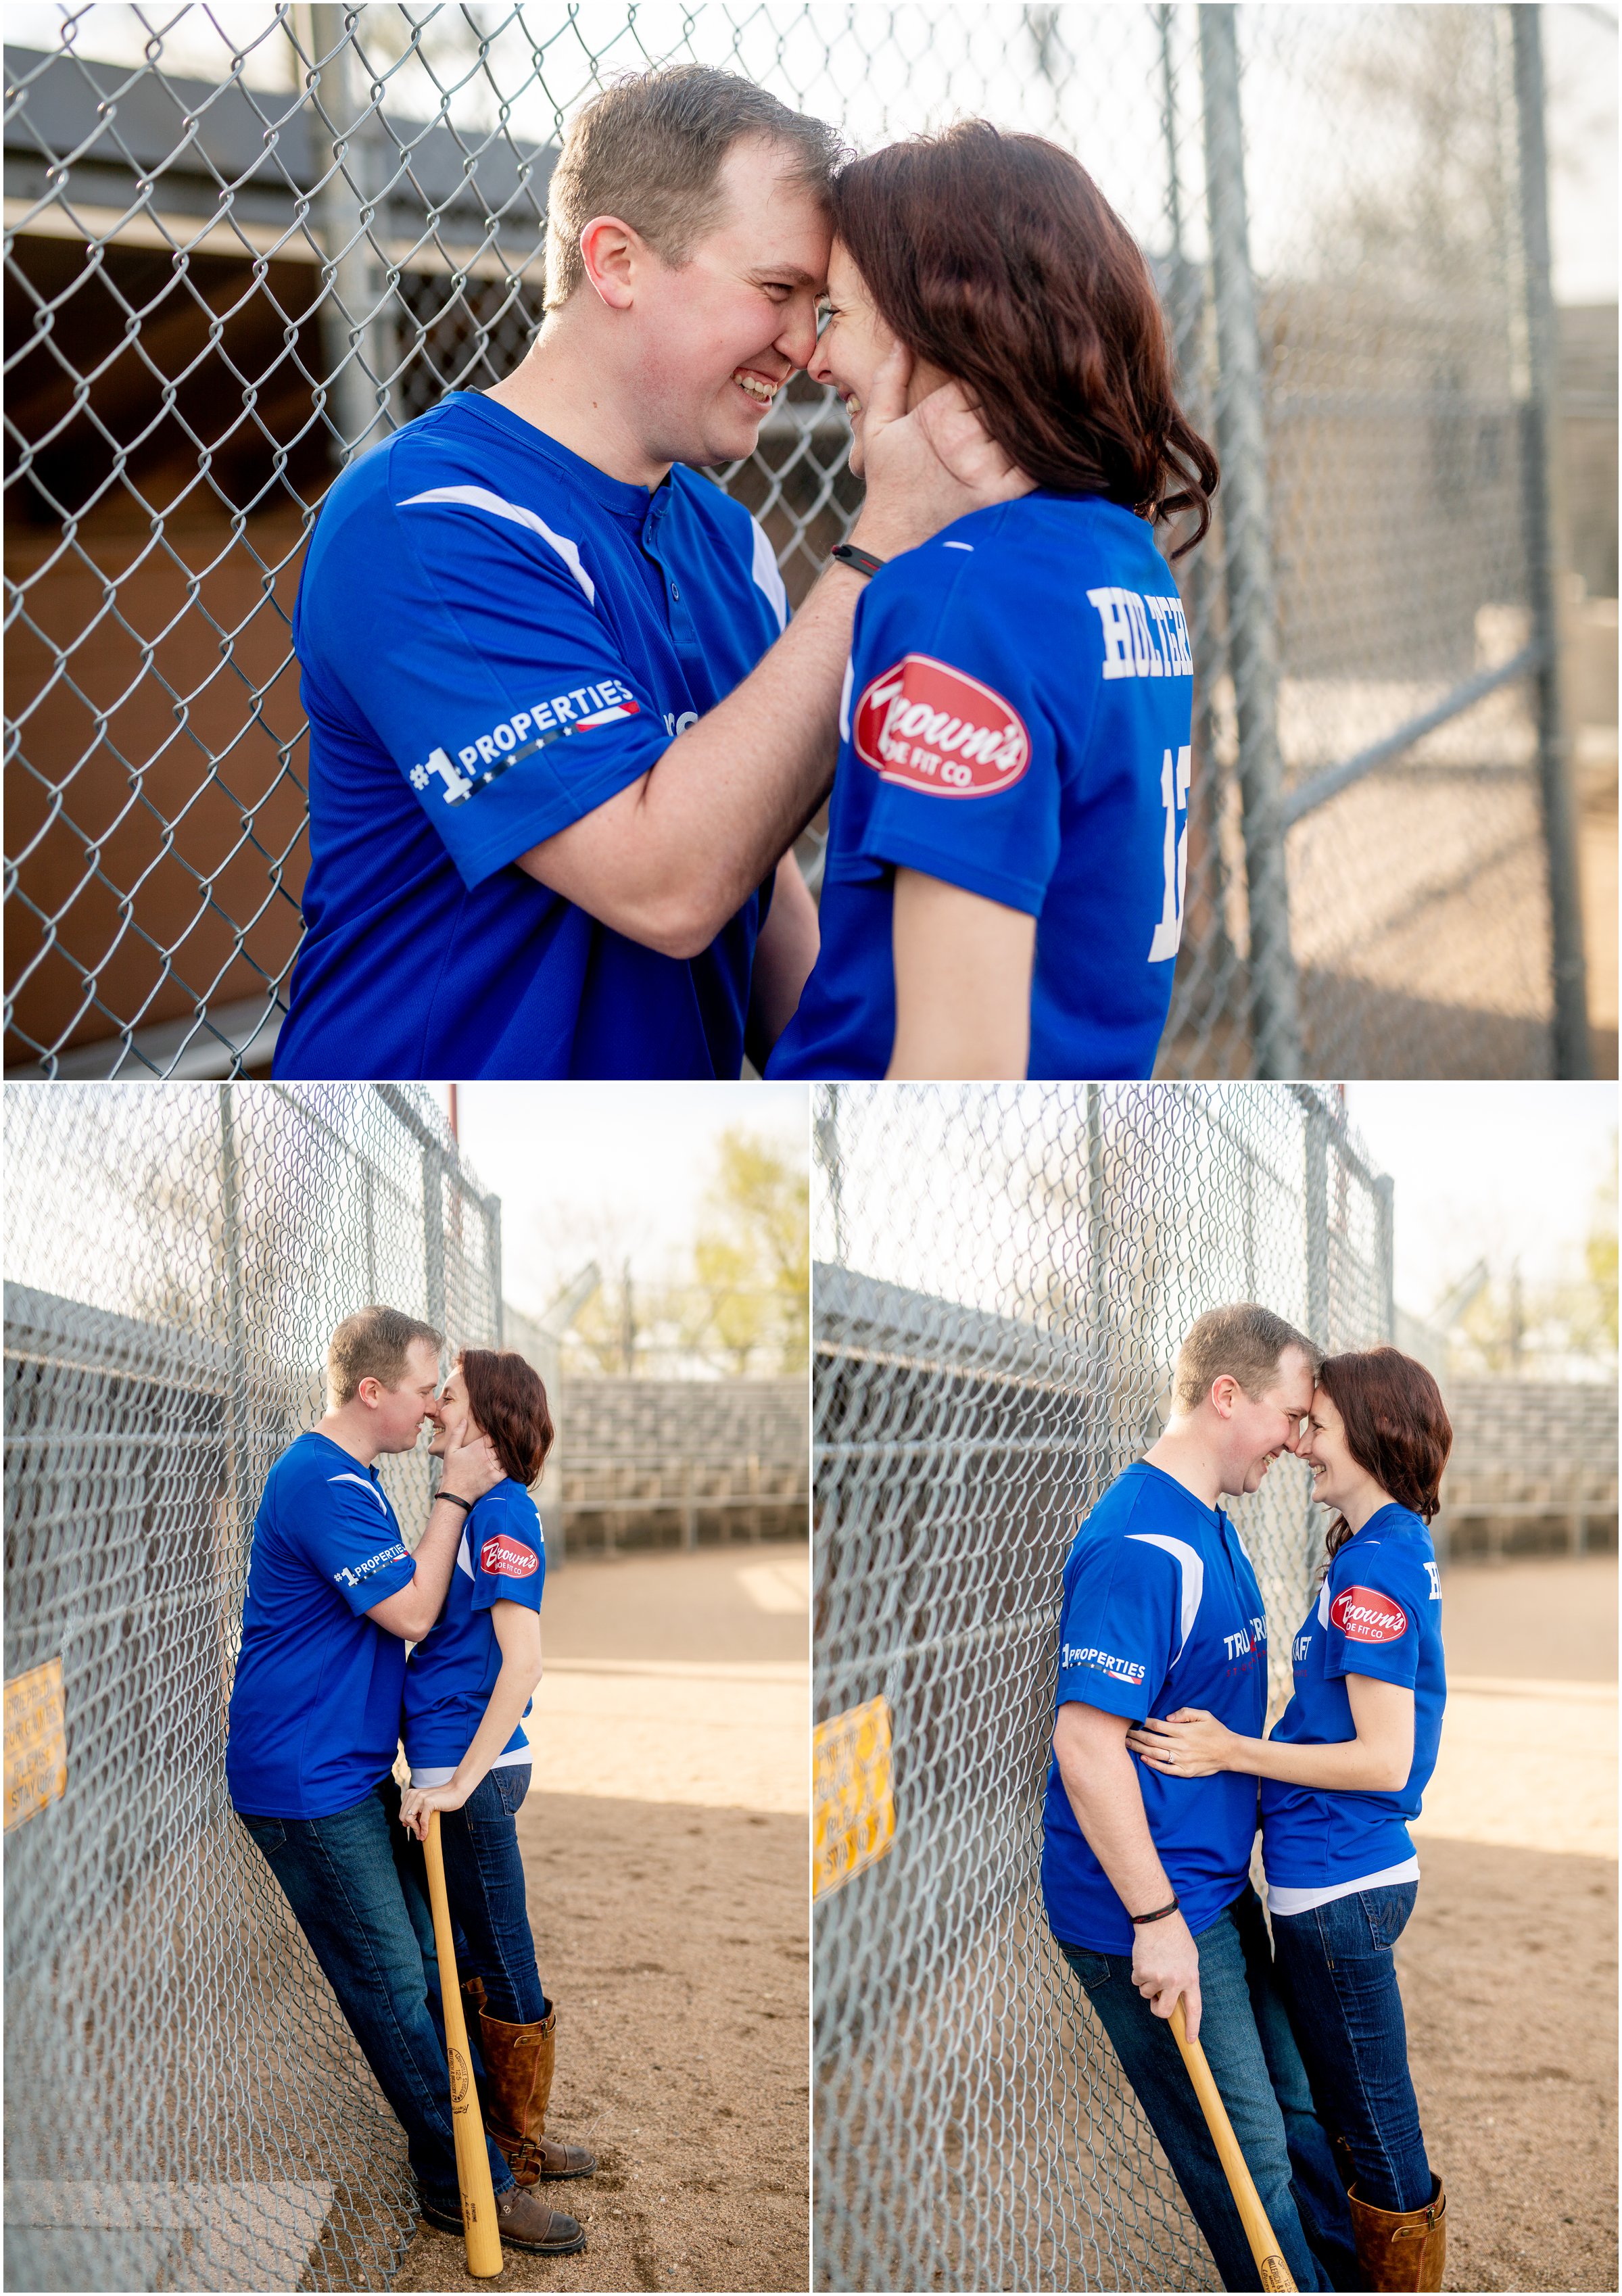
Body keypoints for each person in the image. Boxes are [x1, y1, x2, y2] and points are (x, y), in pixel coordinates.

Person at [272, 66, 1026, 1082]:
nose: (806, 349)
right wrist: (882, 542)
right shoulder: (427, 520)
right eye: (775, 292)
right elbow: (667, 886)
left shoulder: (726, 541)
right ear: (617, 261)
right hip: (429, 1170)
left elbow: (751, 874)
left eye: (819, 306)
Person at [767, 122, 1218, 1082]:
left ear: (931, 323)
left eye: (834, 315)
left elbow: (957, 1070)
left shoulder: (954, 603)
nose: (812, 360)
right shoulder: (1115, 554)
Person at [226, 1307, 583, 2256]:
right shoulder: (321, 1481)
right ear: (373, 1392)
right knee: (392, 1981)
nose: (433, 1409)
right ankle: (466, 2181)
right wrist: (454, 1498)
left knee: (430, 1963)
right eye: (427, 1387)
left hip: (346, 1774)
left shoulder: (352, 1482)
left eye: (446, 1394)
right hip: (303, 1785)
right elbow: (418, 1613)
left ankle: (484, 2149)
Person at [1042, 1305, 1358, 2294]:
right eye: (1289, 1415)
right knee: (1249, 2164)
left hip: (1216, 1893)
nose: (1297, 1440)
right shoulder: (1141, 1545)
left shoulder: (1208, 1521)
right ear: (1226, 1397)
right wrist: (1154, 1920)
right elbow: (1085, 1749)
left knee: (1301, 2116)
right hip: (1158, 1914)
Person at [1128, 1347, 1452, 2291]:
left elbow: (1379, 1758)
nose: (1302, 1443)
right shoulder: (1379, 1547)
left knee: (1370, 2127)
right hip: (1339, 1876)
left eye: (1319, 1426)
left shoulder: (1370, 1576)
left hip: (1341, 1883)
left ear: (1370, 1434)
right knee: (1343, 2116)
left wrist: (1232, 1750)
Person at [393, 1349, 593, 2213]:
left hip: (466, 1771)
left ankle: (514, 2149)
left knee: (501, 1957)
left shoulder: (499, 1513)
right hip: (458, 1766)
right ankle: (521, 2134)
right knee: (477, 1956)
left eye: (451, 1393)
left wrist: (455, 1784)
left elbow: (525, 1664)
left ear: (486, 1417)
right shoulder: (485, 1507)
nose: (435, 1404)